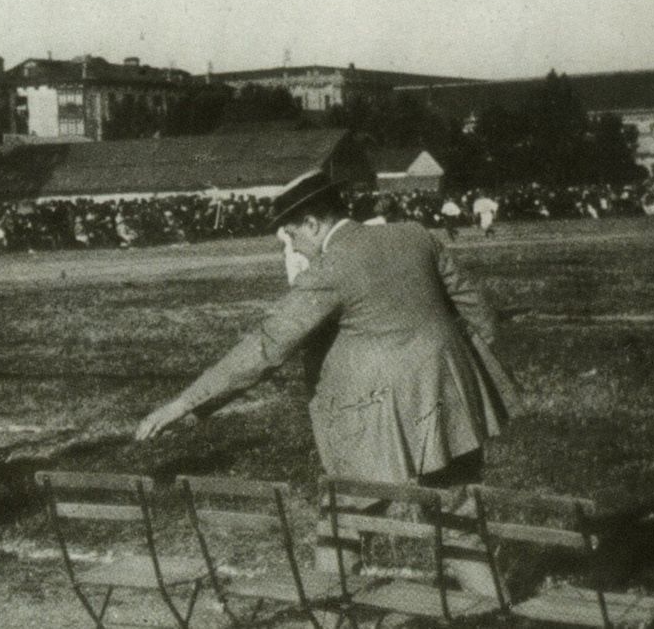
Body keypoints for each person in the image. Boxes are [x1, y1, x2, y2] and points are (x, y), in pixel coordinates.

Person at [136, 171, 515, 589]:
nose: (292, 244)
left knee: (344, 518)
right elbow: (476, 307)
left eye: (292, 233)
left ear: (314, 223)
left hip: (375, 415)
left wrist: (184, 403)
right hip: (452, 399)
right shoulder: (414, 235)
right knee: (456, 514)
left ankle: (330, 610)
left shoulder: (330, 268)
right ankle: (492, 609)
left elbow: (266, 346)